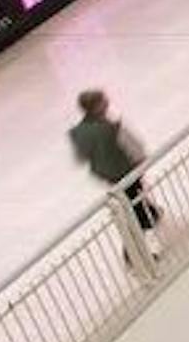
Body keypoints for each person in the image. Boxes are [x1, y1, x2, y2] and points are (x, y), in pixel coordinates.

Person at [69, 90, 161, 237]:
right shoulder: (112, 127)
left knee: (130, 194)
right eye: (103, 100)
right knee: (133, 195)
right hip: (124, 169)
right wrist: (140, 160)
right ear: (96, 106)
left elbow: (81, 156)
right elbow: (134, 146)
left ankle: (149, 212)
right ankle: (141, 228)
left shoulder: (77, 132)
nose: (107, 102)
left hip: (105, 173)